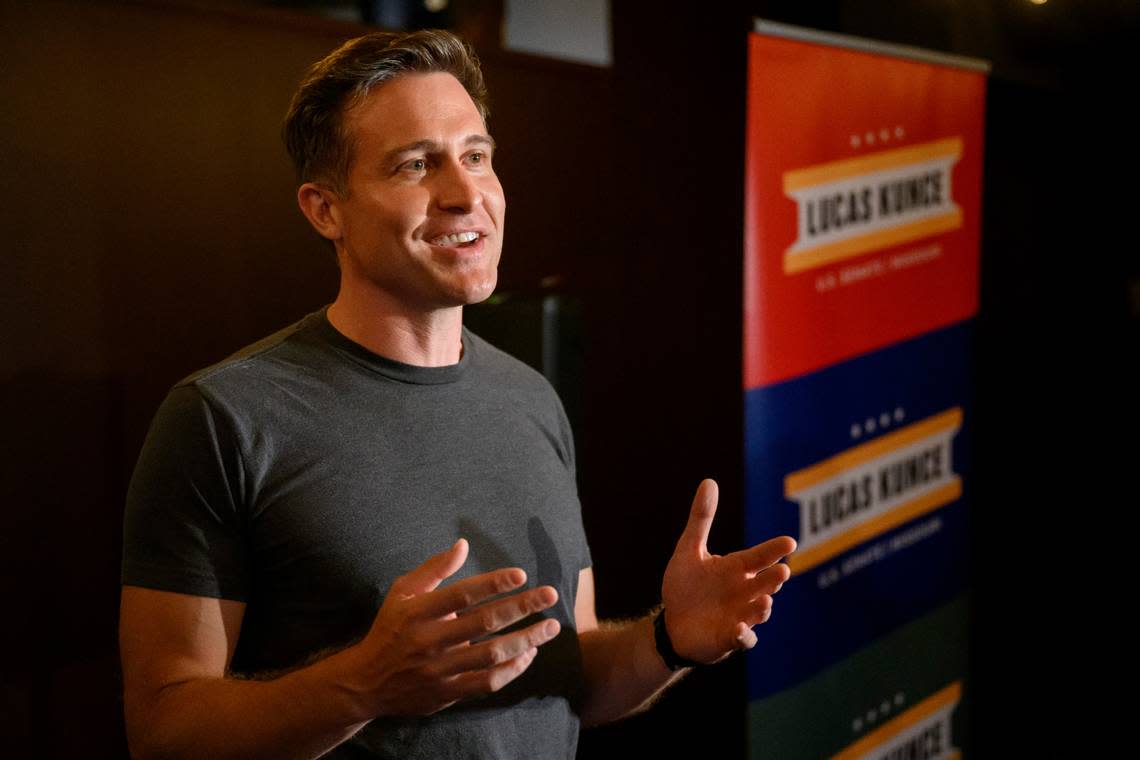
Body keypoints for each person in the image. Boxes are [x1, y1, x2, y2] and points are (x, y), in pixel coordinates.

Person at [119, 29, 795, 759]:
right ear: (325, 210)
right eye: (417, 165)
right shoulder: (225, 418)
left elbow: (571, 681)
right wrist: (366, 685)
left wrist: (668, 640)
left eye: (477, 156)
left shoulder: (530, 397)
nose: (465, 193)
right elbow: (163, 731)